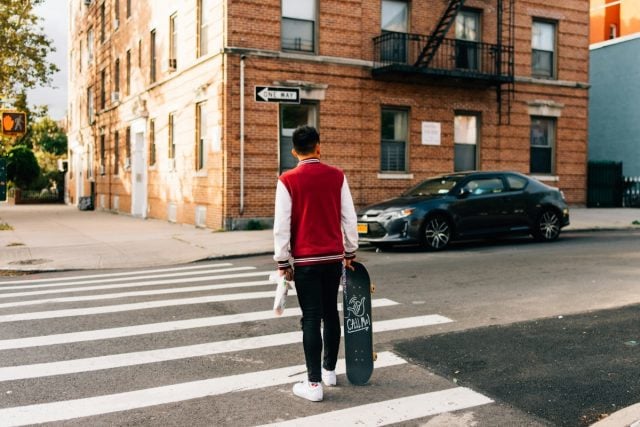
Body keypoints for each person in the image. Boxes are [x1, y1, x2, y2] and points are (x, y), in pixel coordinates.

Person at [273, 125, 358, 402]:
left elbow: (281, 226)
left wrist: (282, 260)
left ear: (294, 151)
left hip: (307, 261)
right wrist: (349, 251)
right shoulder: (337, 176)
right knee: (330, 313)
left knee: (311, 317)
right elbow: (349, 217)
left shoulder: (287, 180)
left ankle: (313, 385)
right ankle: (330, 371)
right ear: (319, 147)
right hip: (333, 258)